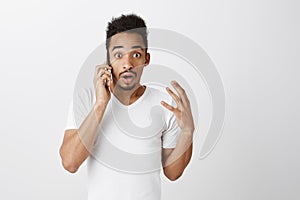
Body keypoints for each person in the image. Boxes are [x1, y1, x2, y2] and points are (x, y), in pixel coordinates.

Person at [59, 13, 194, 200]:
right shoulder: (86, 99)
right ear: (108, 59)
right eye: (119, 55)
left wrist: (188, 132)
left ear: (146, 59)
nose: (127, 64)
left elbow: (173, 173)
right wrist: (100, 104)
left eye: (136, 55)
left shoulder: (166, 104)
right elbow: (70, 162)